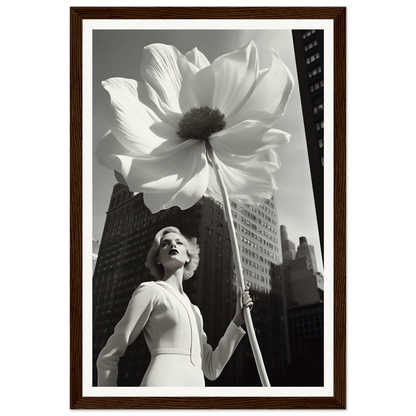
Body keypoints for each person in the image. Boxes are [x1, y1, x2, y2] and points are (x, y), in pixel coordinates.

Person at [97, 226, 254, 387]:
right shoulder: (151, 290)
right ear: (158, 258)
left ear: (187, 256)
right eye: (165, 244)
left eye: (179, 243)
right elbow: (109, 355)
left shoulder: (195, 310)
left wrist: (238, 320)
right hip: (162, 386)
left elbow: (211, 369)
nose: (173, 245)